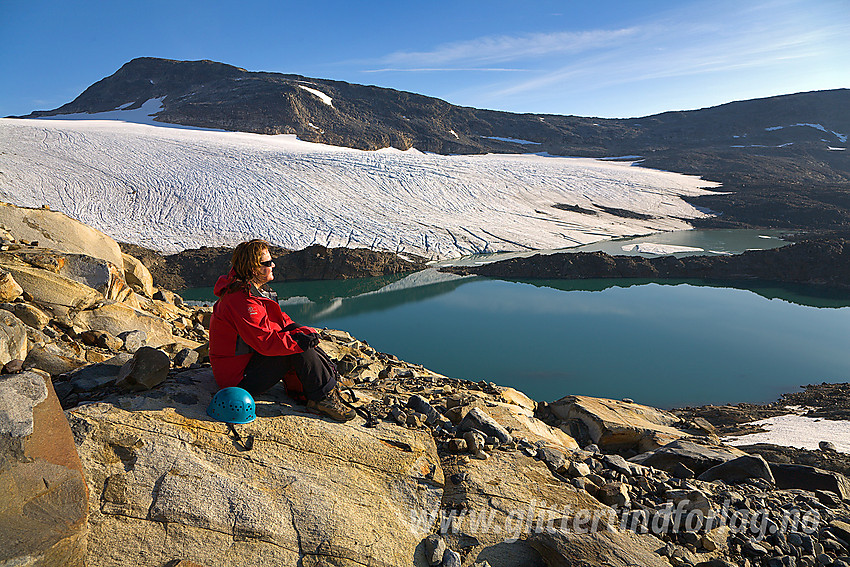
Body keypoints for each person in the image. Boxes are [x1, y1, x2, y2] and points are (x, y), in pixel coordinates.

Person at [208, 239, 355, 422]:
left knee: (299, 338)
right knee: (296, 348)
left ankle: (328, 382)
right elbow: (265, 342)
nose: (273, 265)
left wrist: (301, 330)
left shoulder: (250, 291)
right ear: (254, 269)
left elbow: (278, 320)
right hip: (237, 379)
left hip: (247, 363)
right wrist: (298, 341)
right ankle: (322, 399)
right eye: (268, 263)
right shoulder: (242, 300)